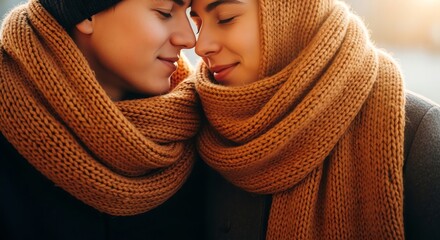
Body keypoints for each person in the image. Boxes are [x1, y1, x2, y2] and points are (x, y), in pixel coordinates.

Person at [190, 0, 440, 239]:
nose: (200, 46)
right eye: (198, 24)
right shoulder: (193, 124)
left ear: (294, 13)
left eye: (226, 18)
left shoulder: (418, 135)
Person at [0, 0, 204, 239]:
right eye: (165, 13)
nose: (189, 39)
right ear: (87, 15)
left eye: (188, 14)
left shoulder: (196, 126)